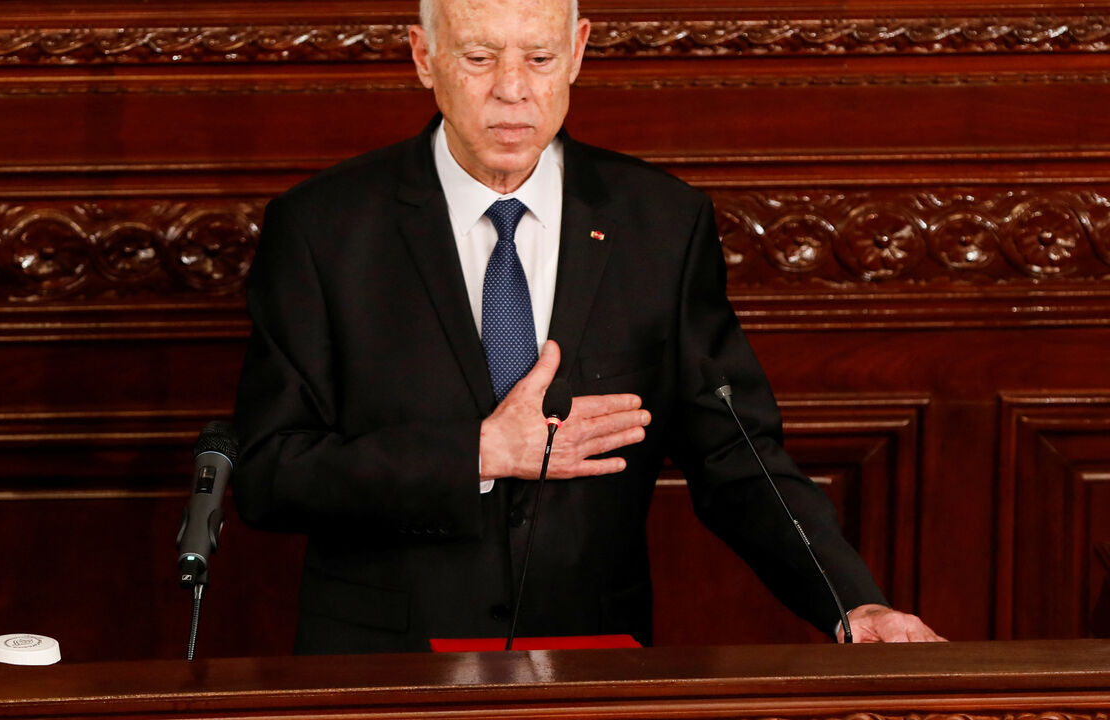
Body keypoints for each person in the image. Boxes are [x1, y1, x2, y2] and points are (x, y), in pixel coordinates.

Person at [231, 0, 944, 652]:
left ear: (577, 51)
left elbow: (737, 455)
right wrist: (474, 453)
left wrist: (852, 602)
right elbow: (269, 474)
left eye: (539, 59)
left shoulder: (660, 224)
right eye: (479, 58)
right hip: (383, 665)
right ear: (424, 56)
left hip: (590, 661)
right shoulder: (323, 228)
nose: (512, 89)